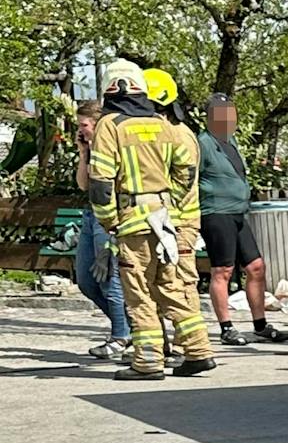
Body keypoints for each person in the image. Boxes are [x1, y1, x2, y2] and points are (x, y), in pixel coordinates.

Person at [88, 60, 213, 380]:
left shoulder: (109, 125)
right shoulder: (163, 124)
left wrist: (108, 221)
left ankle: (147, 362)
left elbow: (101, 182)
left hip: (132, 222)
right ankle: (198, 350)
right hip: (165, 220)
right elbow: (186, 170)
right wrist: (165, 200)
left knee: (139, 292)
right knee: (171, 285)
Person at [199, 94, 282, 346]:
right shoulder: (202, 143)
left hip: (238, 213)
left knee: (256, 267)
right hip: (216, 213)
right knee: (222, 270)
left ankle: (260, 324)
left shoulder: (231, 140)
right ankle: (227, 328)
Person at [145, 67, 207, 371]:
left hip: (179, 223)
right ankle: (174, 347)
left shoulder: (179, 136)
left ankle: (194, 350)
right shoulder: (169, 133)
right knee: (163, 286)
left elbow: (181, 182)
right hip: (169, 221)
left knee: (181, 284)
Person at [71, 99, 132, 362]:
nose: (80, 130)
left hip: (110, 218)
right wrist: (84, 153)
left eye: (83, 125)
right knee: (86, 280)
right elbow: (84, 185)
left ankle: (120, 335)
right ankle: (130, 328)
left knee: (111, 280)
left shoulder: (114, 147)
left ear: (97, 124)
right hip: (91, 215)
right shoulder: (92, 148)